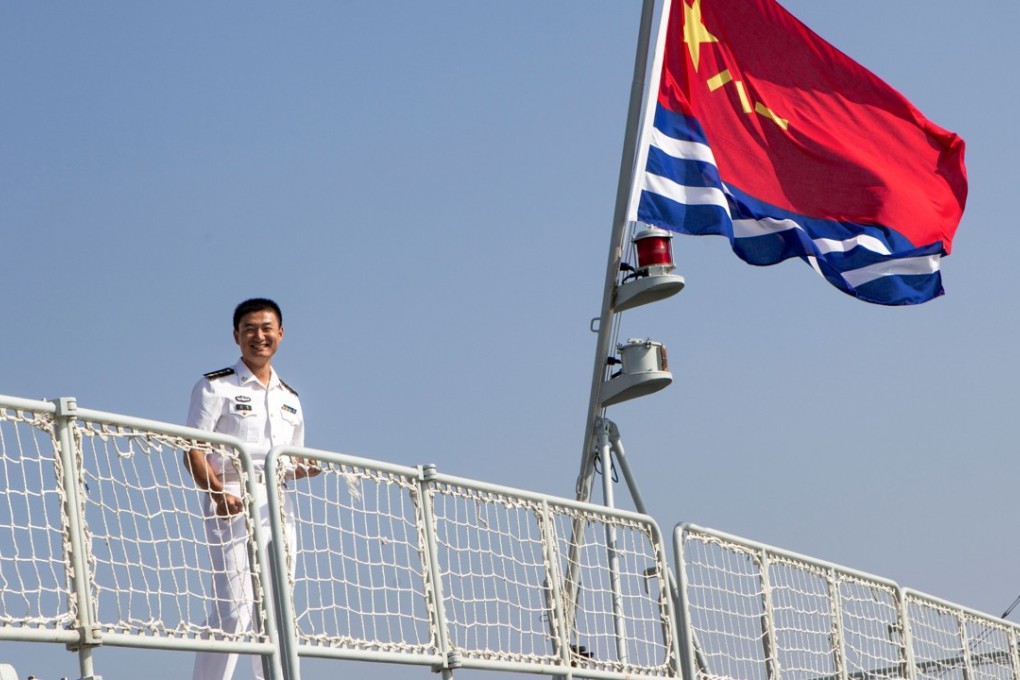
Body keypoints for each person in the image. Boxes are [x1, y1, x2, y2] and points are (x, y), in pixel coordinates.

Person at [183, 298, 318, 680]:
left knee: (277, 609)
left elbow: (291, 461)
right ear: (236, 336)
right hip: (230, 494)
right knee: (235, 607)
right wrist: (215, 493)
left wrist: (306, 468)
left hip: (277, 503)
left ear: (280, 333)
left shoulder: (290, 398)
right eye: (250, 330)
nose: (259, 337)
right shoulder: (216, 386)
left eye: (266, 329)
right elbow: (193, 450)